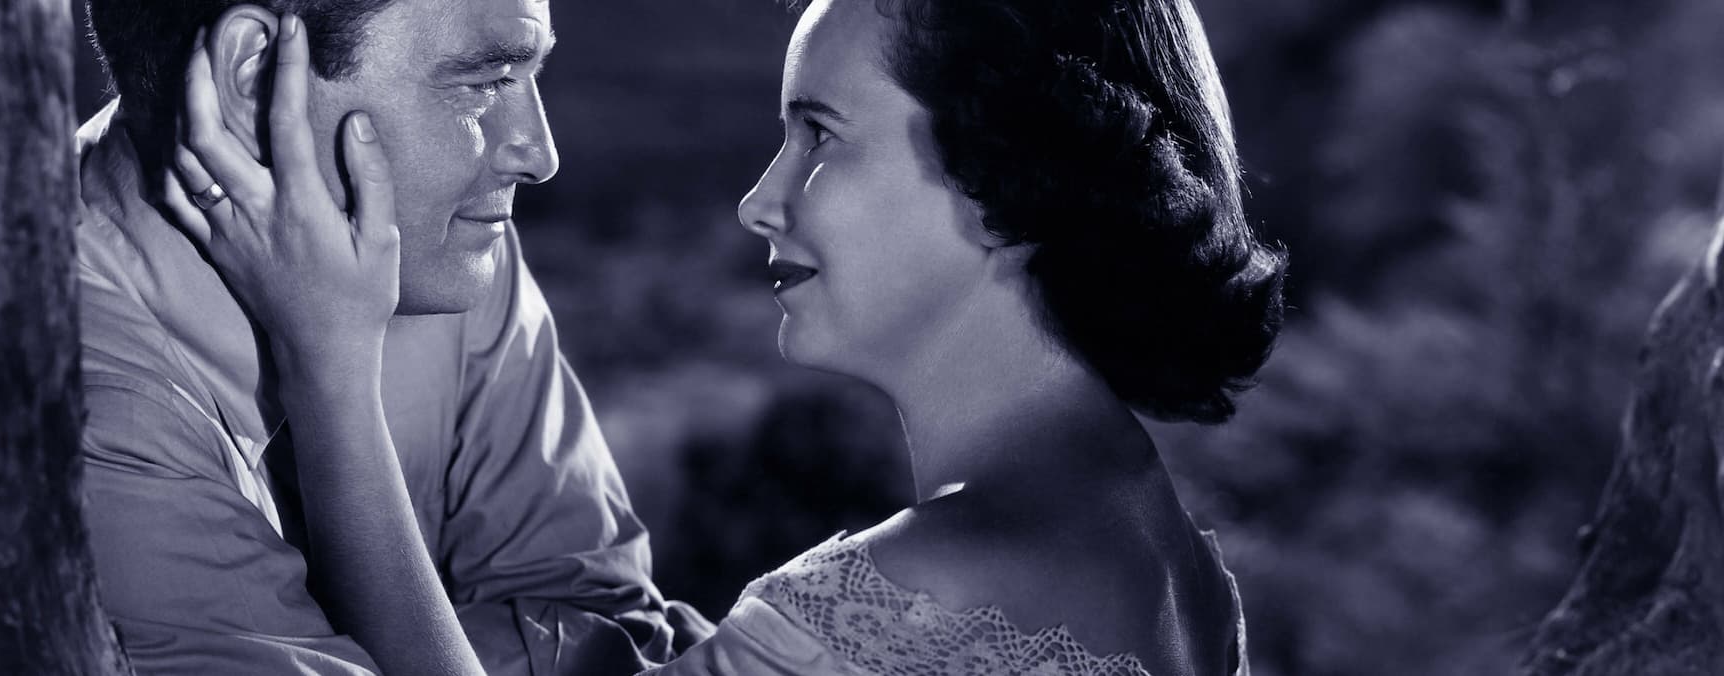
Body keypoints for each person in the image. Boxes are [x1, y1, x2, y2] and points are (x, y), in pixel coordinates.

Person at [171, 0, 1283, 673]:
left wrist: (329, 367)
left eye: (819, 136)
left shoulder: (926, 589)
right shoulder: (1179, 567)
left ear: (1005, 176)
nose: (761, 200)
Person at [72, 0, 709, 674]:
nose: (539, 154)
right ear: (256, 76)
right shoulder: (76, 408)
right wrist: (334, 376)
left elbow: (610, 623)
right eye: (485, 82)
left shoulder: (432, 244)